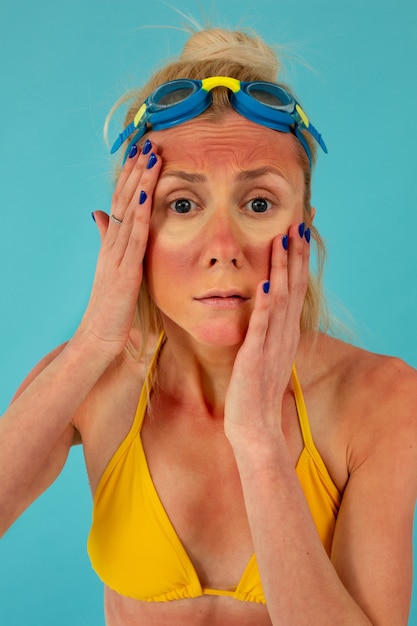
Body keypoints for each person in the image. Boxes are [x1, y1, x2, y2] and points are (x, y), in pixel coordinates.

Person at [1, 25, 416, 626]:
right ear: (133, 230)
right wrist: (93, 341)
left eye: (257, 204)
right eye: (182, 205)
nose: (221, 248)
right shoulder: (91, 378)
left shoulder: (382, 401)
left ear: (304, 226)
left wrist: (258, 442)